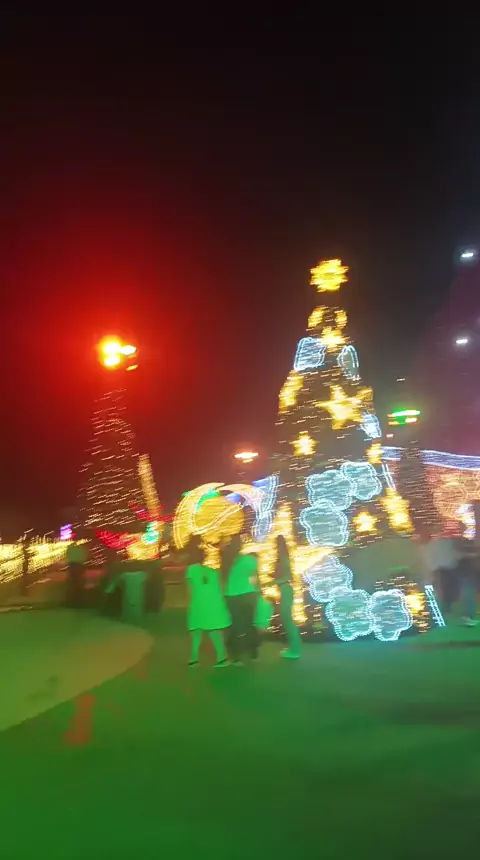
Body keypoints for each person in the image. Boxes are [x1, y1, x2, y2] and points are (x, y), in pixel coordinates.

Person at [185, 538, 230, 668]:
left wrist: (189, 605)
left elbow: (190, 590)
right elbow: (221, 588)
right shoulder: (213, 572)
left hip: (198, 605)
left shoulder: (191, 570)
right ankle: (222, 657)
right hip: (214, 605)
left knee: (196, 631)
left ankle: (194, 659)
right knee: (214, 631)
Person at [224, 534, 260, 665]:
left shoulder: (226, 560)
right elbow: (255, 576)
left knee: (235, 625)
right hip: (248, 593)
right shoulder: (249, 559)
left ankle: (235, 656)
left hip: (231, 595)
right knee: (249, 624)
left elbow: (223, 578)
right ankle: (253, 653)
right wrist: (258, 591)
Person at [273, 535, 302, 659]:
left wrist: (272, 582)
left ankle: (295, 650)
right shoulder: (284, 557)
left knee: (288, 620)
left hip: (285, 589)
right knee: (287, 620)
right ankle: (293, 648)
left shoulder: (283, 558)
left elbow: (287, 577)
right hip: (284, 590)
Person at [419, 531, 460, 614]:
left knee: (442, 589)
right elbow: (453, 554)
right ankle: (446, 606)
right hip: (447, 569)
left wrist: (433, 570)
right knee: (446, 589)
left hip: (441, 569)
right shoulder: (446, 543)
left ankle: (443, 607)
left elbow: (431, 559)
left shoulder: (431, 546)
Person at [66, 538, 88, 607]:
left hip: (73, 565)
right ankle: (79, 600)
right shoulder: (81, 548)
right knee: (79, 583)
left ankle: (73, 601)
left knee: (73, 583)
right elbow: (84, 557)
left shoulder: (70, 548)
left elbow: (68, 556)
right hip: (79, 565)